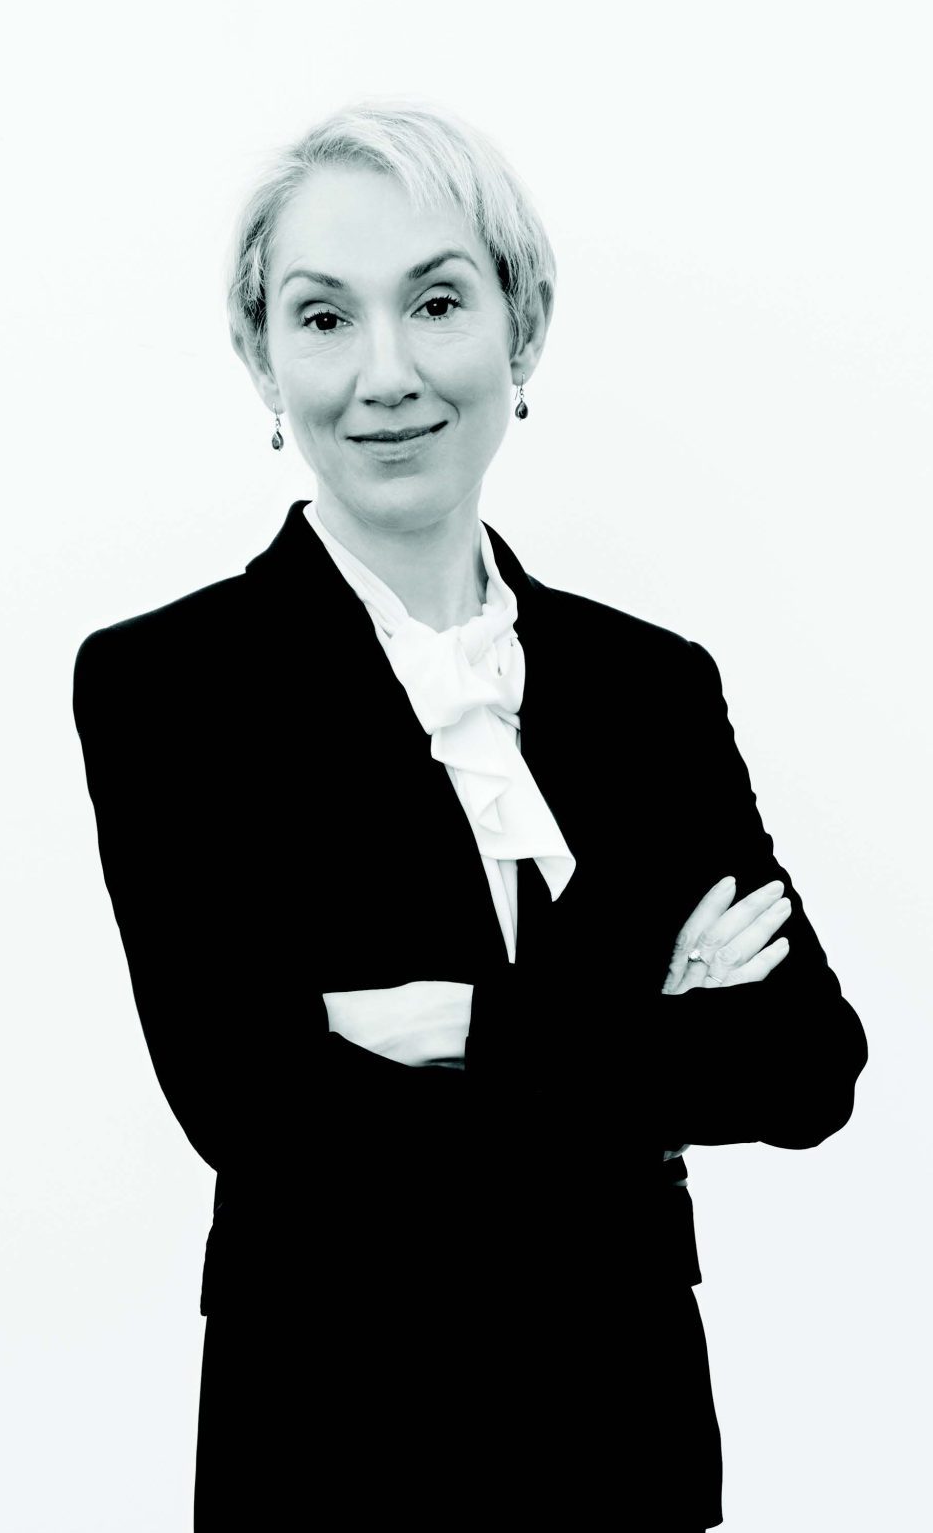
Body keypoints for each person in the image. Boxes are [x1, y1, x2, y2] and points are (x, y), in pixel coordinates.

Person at [72, 98, 869, 1532]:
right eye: (325, 318)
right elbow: (252, 1105)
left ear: (523, 328)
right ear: (262, 358)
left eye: (436, 303)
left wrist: (466, 1028)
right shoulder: (168, 686)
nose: (386, 374)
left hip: (628, 1446)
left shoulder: (650, 687)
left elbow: (806, 1064)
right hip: (330, 1451)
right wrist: (648, 1027)